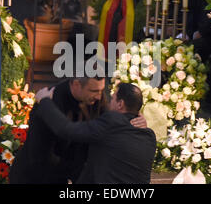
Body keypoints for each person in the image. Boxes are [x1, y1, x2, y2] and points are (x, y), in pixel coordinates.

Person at [9, 76, 147, 184]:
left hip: (64, 175)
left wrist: (134, 117)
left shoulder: (95, 98)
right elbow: (40, 154)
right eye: (94, 91)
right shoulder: (49, 102)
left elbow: (112, 123)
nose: (100, 96)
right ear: (76, 84)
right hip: (33, 176)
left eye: (101, 90)